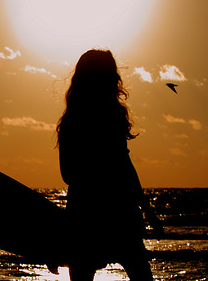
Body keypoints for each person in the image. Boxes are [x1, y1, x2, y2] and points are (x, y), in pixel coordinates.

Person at [55, 49, 163, 280]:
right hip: (116, 212)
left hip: (85, 214)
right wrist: (146, 208)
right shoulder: (111, 117)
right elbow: (124, 166)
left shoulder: (72, 121)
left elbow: (68, 174)